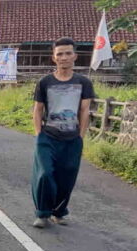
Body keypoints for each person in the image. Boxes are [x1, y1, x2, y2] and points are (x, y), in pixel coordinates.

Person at [31, 37, 95, 228]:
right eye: (60, 54)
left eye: (68, 53)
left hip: (72, 138)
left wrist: (81, 136)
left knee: (66, 177)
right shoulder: (45, 82)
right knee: (45, 174)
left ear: (75, 56)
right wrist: (38, 134)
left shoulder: (83, 82)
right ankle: (42, 213)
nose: (64, 57)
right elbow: (38, 109)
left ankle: (58, 212)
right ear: (54, 58)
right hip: (48, 136)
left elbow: (84, 110)